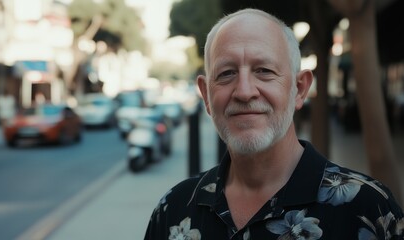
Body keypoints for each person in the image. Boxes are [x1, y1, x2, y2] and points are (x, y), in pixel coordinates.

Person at [144, 8, 404, 240]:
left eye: (264, 71)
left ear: (299, 89)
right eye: (226, 74)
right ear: (206, 95)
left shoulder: (369, 210)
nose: (245, 92)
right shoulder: (173, 211)